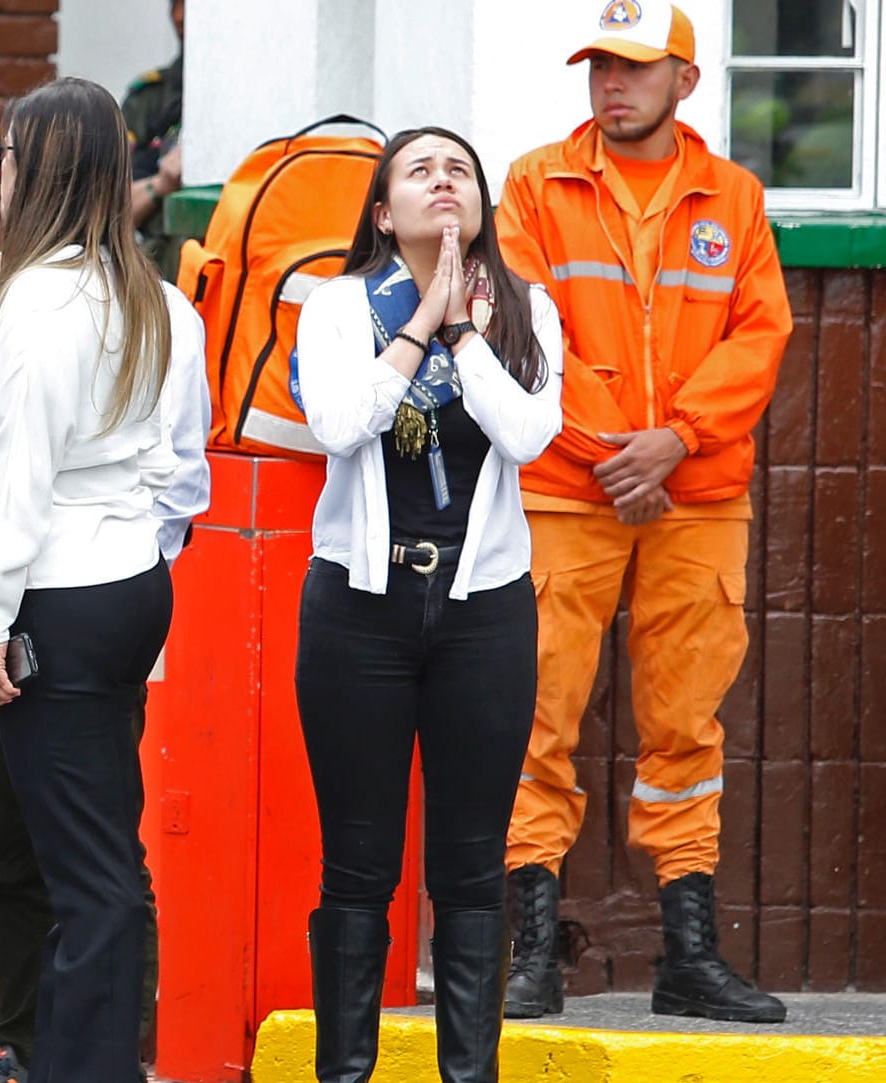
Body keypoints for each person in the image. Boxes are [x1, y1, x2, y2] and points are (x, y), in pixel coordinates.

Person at [495, 3, 792, 1025]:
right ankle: (532, 951)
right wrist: (625, 452)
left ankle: (687, 957)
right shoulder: (536, 183)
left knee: (685, 728)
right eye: (598, 67)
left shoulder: (737, 198)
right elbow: (520, 331)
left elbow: (760, 338)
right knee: (535, 718)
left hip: (696, 494)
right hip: (571, 488)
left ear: (686, 81)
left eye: (634, 67)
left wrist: (676, 441)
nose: (610, 84)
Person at [0, 123, 211, 1083]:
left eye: (5, 154)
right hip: (129, 582)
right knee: (99, 856)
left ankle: (86, 1066)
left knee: (88, 874)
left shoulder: (33, 304)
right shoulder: (147, 298)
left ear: (40, 170)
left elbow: (19, 483)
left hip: (56, 589)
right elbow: (173, 471)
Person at [292, 126, 562, 1083]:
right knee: (359, 861)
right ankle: (345, 1072)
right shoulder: (335, 307)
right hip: (359, 609)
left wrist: (464, 333)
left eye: (460, 170)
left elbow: (529, 434)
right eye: (420, 171)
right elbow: (338, 424)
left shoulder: (527, 307)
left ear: (480, 202)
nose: (443, 183)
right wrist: (416, 327)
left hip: (483, 608)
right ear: (382, 212)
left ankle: (468, 1074)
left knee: (470, 860)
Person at [122, 0, 184, 278]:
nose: (181, 16)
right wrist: (161, 183)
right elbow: (108, 214)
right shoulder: (150, 99)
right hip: (159, 277)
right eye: (177, 5)